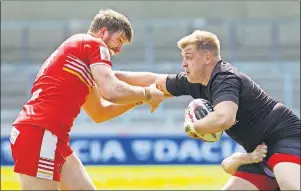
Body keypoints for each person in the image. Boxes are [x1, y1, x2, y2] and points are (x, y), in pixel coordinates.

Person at [113, 30, 300, 190]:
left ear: (207, 57)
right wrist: (110, 76)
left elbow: (223, 118)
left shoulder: (225, 77)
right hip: (259, 152)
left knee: (291, 187)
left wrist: (192, 127)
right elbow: (154, 80)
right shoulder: (195, 81)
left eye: (188, 57)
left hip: (284, 138)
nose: (183, 64)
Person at [10, 9, 164, 190]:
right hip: (41, 131)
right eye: (119, 40)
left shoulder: (81, 58)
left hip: (49, 134)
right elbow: (111, 90)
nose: (119, 49)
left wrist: (143, 97)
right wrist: (146, 93)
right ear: (103, 31)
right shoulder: (94, 43)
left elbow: (100, 112)